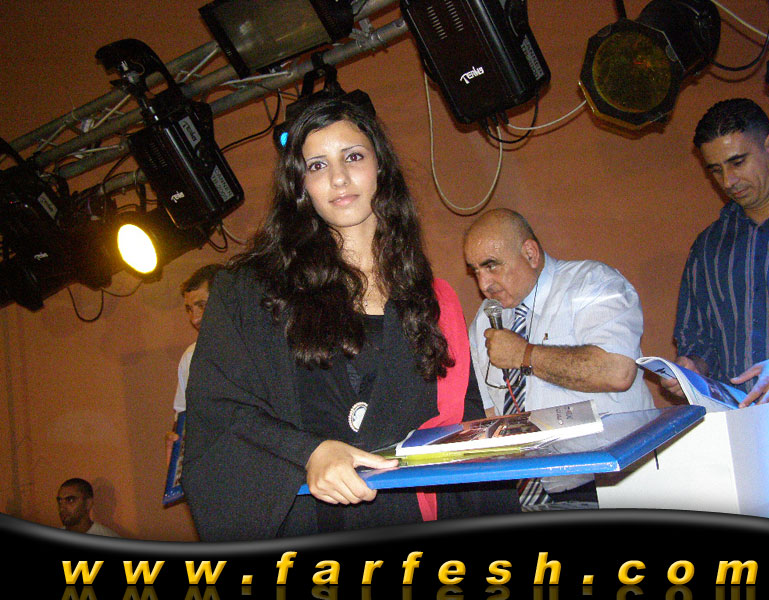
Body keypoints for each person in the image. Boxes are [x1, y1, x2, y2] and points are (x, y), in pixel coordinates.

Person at [181, 98, 520, 541]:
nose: (338, 178)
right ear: (300, 184)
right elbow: (219, 412)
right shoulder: (249, 293)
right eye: (317, 165)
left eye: (354, 157)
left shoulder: (431, 302)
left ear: (381, 167)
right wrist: (309, 452)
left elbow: (464, 433)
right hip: (306, 528)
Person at [464, 208, 654, 509]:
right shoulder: (486, 320)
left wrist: (524, 354)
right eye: (476, 271)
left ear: (530, 254)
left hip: (610, 485)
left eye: (491, 266)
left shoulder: (592, 283)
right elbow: (492, 414)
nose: (484, 284)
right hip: (532, 493)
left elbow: (617, 371)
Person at [667, 98, 769, 406]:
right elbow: (698, 342)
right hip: (739, 420)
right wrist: (692, 368)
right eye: (716, 170)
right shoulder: (707, 246)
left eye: (737, 163)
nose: (728, 181)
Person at [165, 264, 222, 465]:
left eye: (202, 305)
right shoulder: (190, 357)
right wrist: (176, 447)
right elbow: (183, 421)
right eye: (189, 309)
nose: (194, 318)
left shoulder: (260, 347)